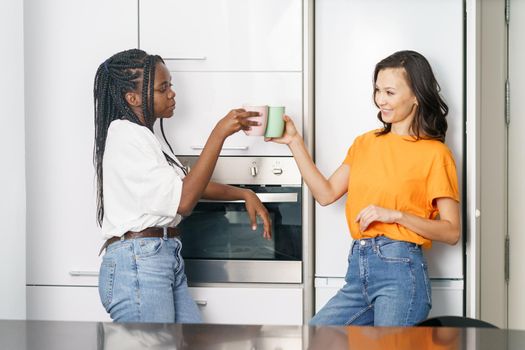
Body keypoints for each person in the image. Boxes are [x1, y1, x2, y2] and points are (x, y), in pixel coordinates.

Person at [267, 50, 460, 326]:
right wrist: (294, 141)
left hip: (401, 272)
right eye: (378, 90)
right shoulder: (365, 143)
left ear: (416, 95)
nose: (381, 99)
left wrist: (396, 215)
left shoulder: (435, 154)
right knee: (315, 338)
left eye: (390, 92)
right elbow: (325, 194)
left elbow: (452, 231)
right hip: (358, 269)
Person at [93, 48, 271, 323]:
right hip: (138, 265)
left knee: (193, 340)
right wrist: (219, 133)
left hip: (160, 258)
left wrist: (243, 193)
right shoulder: (126, 135)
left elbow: (186, 186)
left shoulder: (146, 138)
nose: (172, 93)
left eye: (170, 86)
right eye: (163, 88)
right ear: (133, 98)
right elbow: (185, 200)